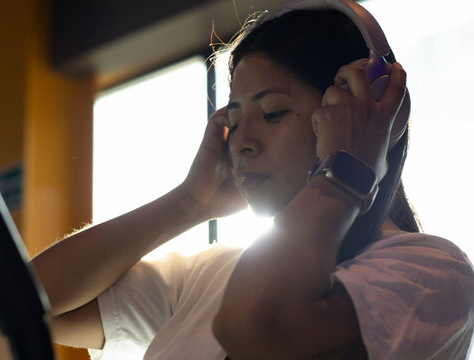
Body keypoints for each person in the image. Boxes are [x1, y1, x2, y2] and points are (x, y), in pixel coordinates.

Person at [30, 1, 474, 359]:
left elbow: (259, 329)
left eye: (274, 112)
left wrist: (345, 168)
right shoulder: (210, 275)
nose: (240, 142)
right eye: (235, 119)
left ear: (359, 110)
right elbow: (32, 301)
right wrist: (188, 203)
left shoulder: (427, 271)